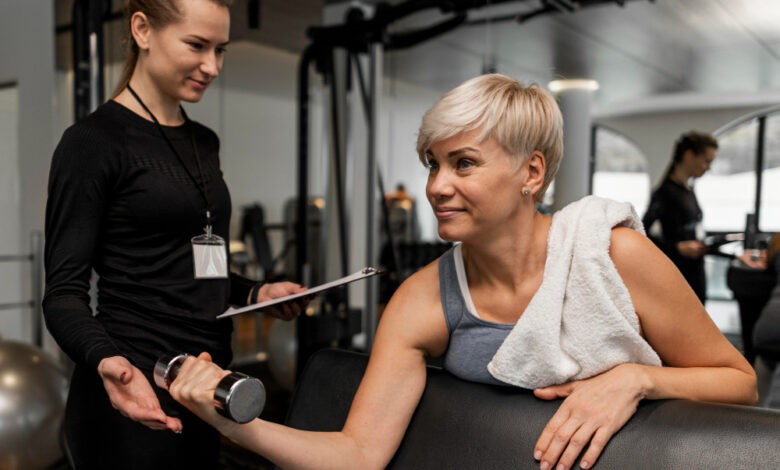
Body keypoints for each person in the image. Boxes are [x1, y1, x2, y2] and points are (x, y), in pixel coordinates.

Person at [167, 74, 756, 470]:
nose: (436, 186)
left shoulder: (614, 255)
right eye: (433, 164)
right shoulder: (423, 299)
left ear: (532, 172)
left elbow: (739, 381)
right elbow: (358, 453)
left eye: (463, 163)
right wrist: (230, 422)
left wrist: (635, 379)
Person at [42, 1, 307, 468]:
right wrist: (108, 362)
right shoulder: (93, 142)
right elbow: (63, 294)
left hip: (203, 381)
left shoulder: (203, 141)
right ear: (142, 30)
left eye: (221, 50)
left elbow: (196, 270)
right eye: (197, 46)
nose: (213, 66)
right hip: (133, 388)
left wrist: (256, 292)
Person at [642, 131, 719, 302]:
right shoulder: (665, 192)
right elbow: (642, 231)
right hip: (678, 272)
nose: (708, 167)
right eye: (707, 161)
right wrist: (677, 248)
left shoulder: (689, 189)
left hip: (695, 269)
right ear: (689, 155)